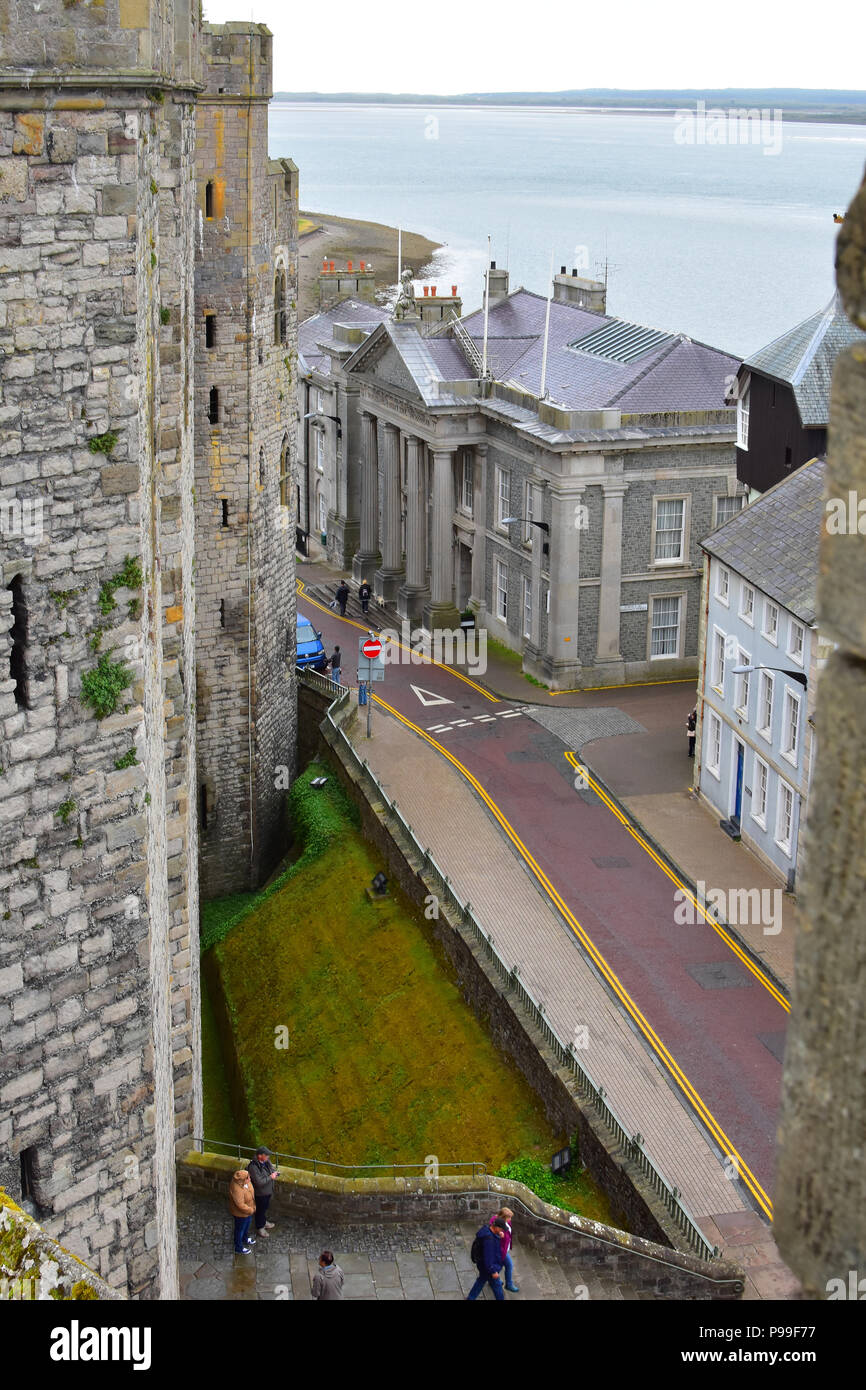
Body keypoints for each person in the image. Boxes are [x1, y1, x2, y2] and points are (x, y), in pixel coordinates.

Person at [466, 1217, 507, 1301]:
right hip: (489, 1267)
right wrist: (493, 1271)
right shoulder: (489, 1240)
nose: (502, 1231)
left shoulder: (486, 1230)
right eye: (501, 1229)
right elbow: (489, 1257)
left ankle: (470, 1298)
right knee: (497, 1286)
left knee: (481, 1280)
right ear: (496, 1227)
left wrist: (498, 1235)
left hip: (482, 1265)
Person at [247, 1146, 278, 1239]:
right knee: (260, 1210)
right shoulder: (253, 1167)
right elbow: (259, 1182)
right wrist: (271, 1177)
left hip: (267, 1191)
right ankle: (260, 1227)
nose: (268, 1157)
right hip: (260, 1193)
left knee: (264, 1209)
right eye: (266, 1155)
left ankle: (264, 1222)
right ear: (260, 1156)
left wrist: (274, 1173)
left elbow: (271, 1169)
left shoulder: (266, 1161)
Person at [229, 1167, 256, 1255]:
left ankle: (245, 1238)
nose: (250, 1179)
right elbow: (240, 1205)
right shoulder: (237, 1189)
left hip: (249, 1210)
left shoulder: (245, 1182)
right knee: (239, 1229)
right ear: (243, 1179)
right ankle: (238, 1247)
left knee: (247, 1225)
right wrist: (251, 1210)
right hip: (240, 1213)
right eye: (248, 1178)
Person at [492, 1205, 519, 1292]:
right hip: (501, 1251)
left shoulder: (506, 1223)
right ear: (503, 1218)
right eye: (509, 1218)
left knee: (498, 1266)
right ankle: (508, 1284)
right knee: (508, 1265)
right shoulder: (499, 1227)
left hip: (504, 1249)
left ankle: (492, 1280)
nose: (510, 1219)